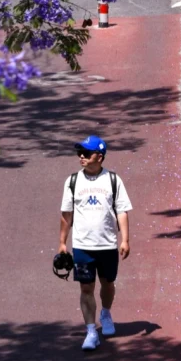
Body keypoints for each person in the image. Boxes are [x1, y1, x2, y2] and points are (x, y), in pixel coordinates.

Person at [58, 135, 132, 350]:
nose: (81, 156)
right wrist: (62, 242)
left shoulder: (113, 180)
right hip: (82, 245)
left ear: (99, 156)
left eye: (86, 153)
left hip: (108, 244)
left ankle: (106, 313)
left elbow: (122, 212)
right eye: (79, 153)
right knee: (86, 288)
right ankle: (91, 331)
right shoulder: (72, 181)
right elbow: (66, 215)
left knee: (107, 283)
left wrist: (125, 239)